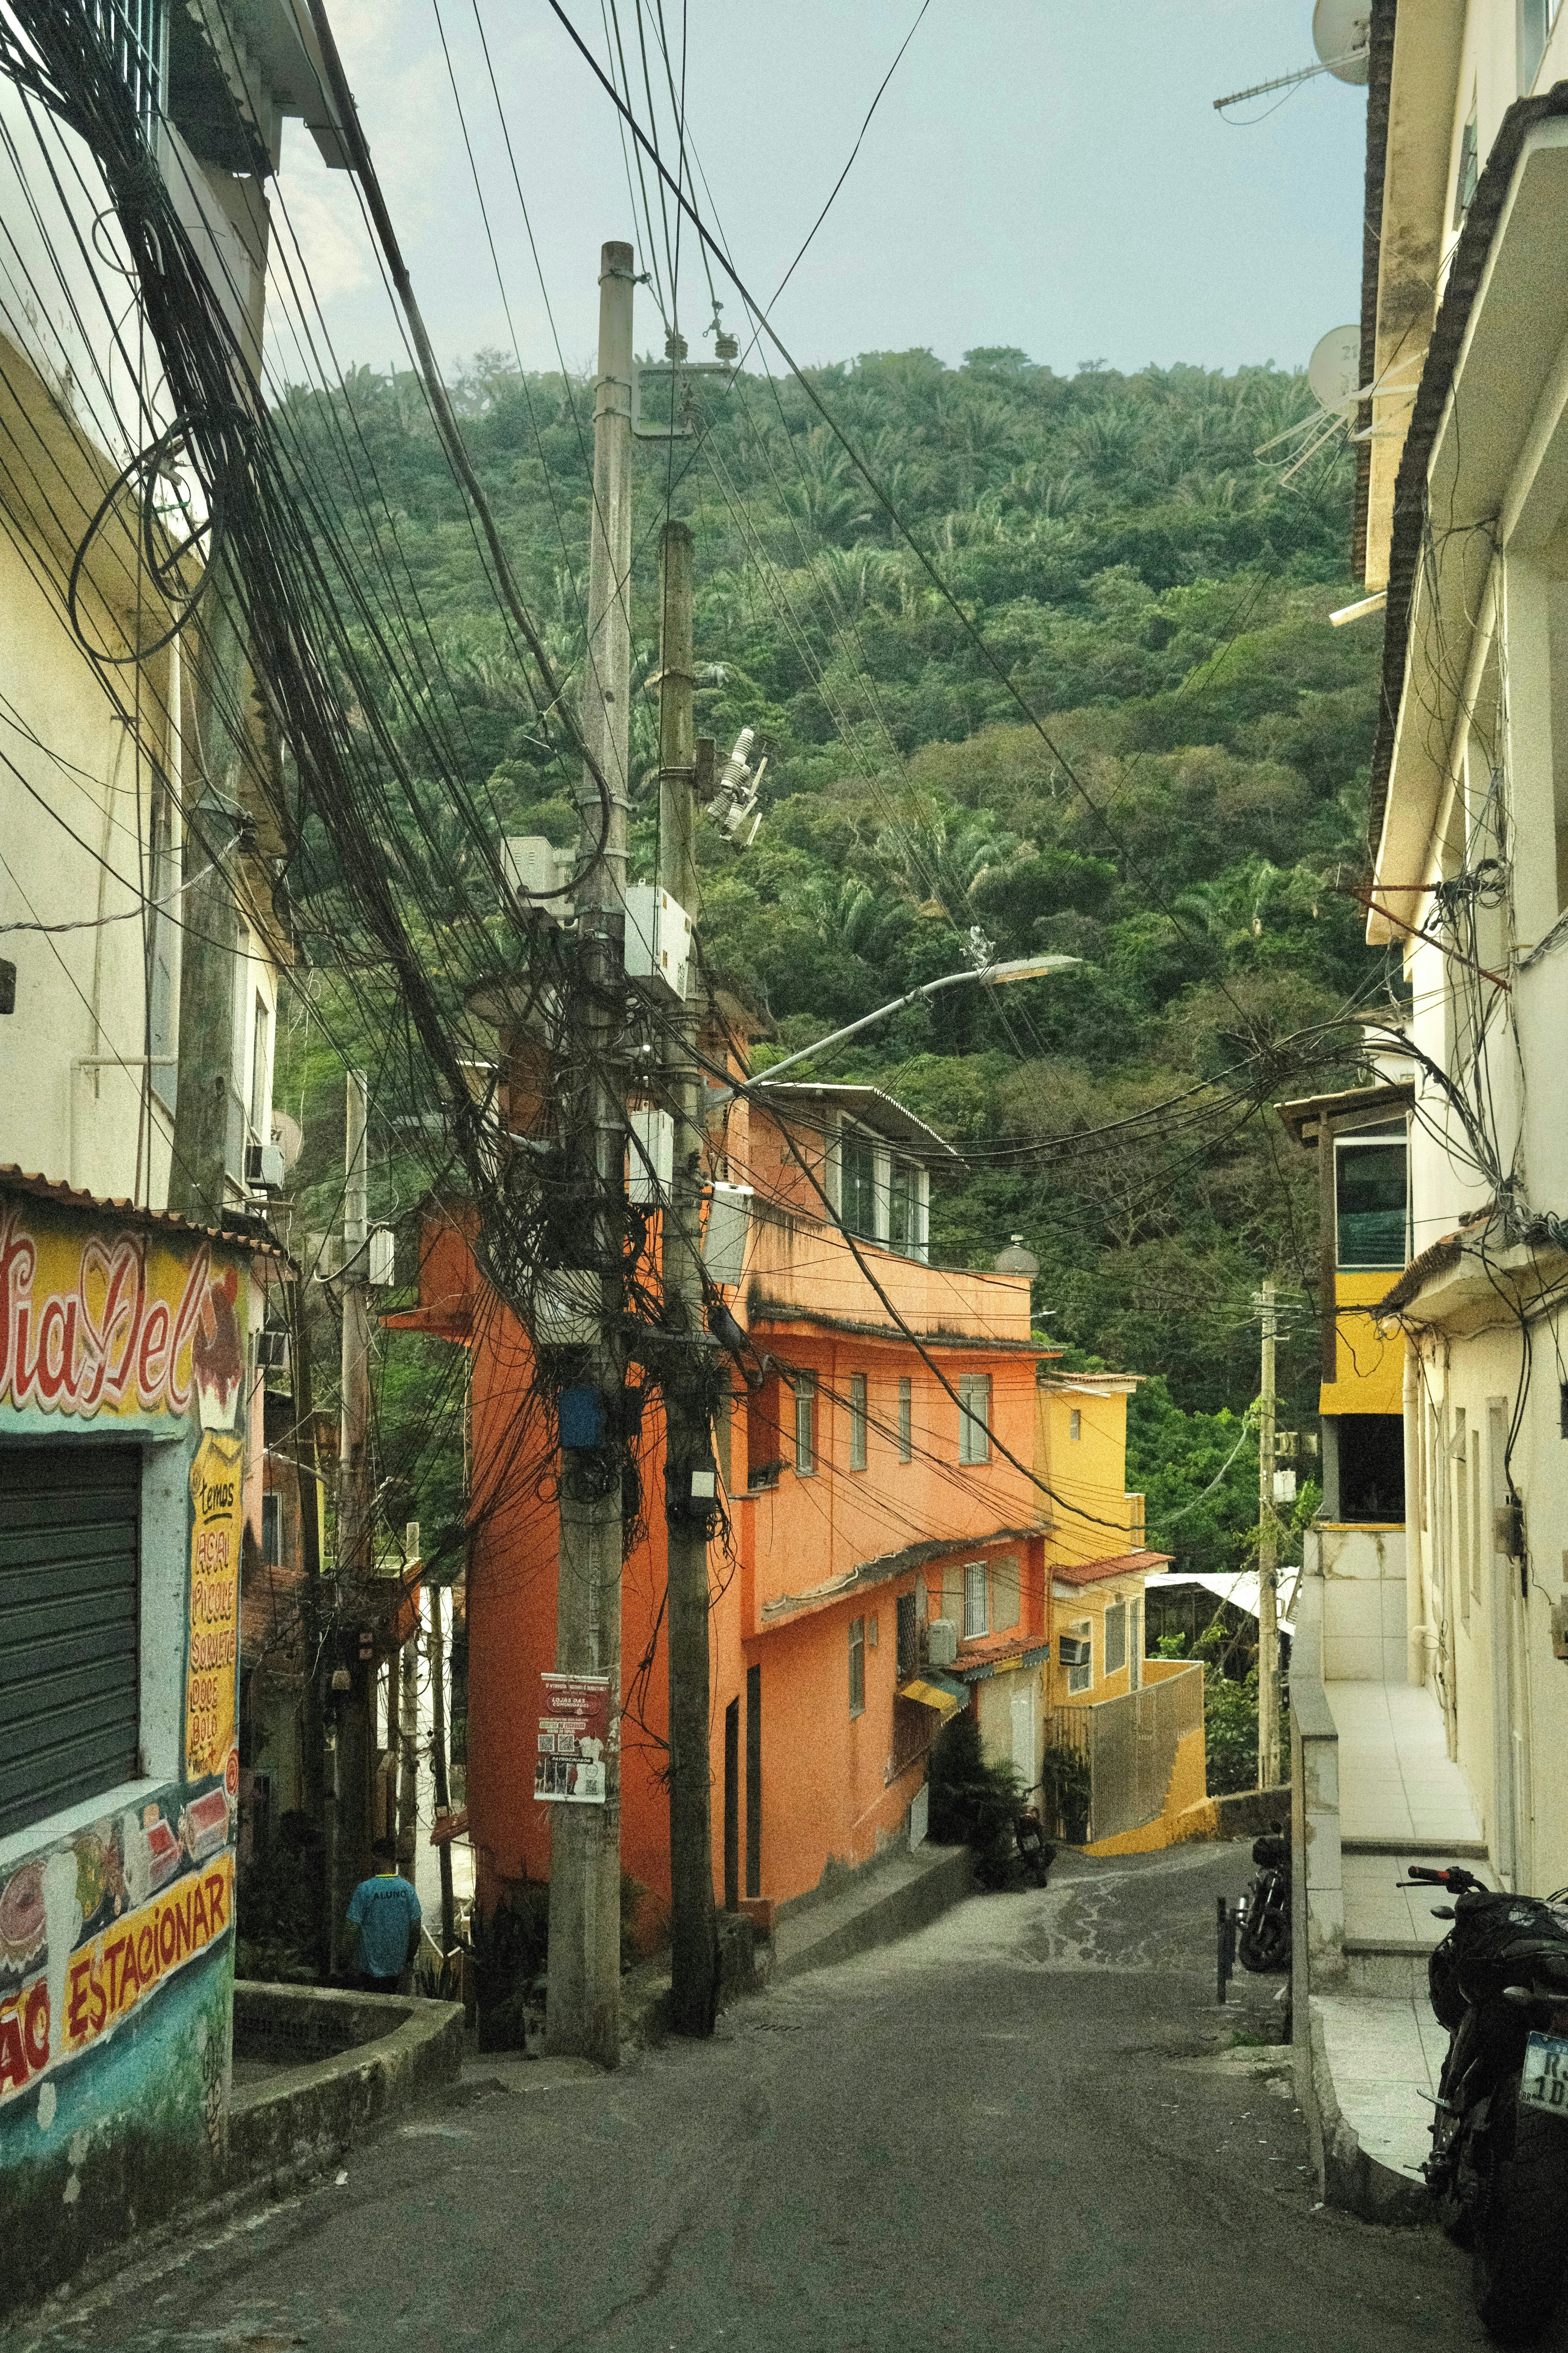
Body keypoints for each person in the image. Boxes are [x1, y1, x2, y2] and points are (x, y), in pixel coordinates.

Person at [345, 1838, 424, 1993]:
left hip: (369, 1969)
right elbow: (416, 1926)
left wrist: (344, 1959)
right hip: (397, 1967)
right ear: (394, 1858)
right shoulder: (407, 1890)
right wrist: (410, 1956)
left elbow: (351, 1929)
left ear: (376, 1857)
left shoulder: (365, 1890)